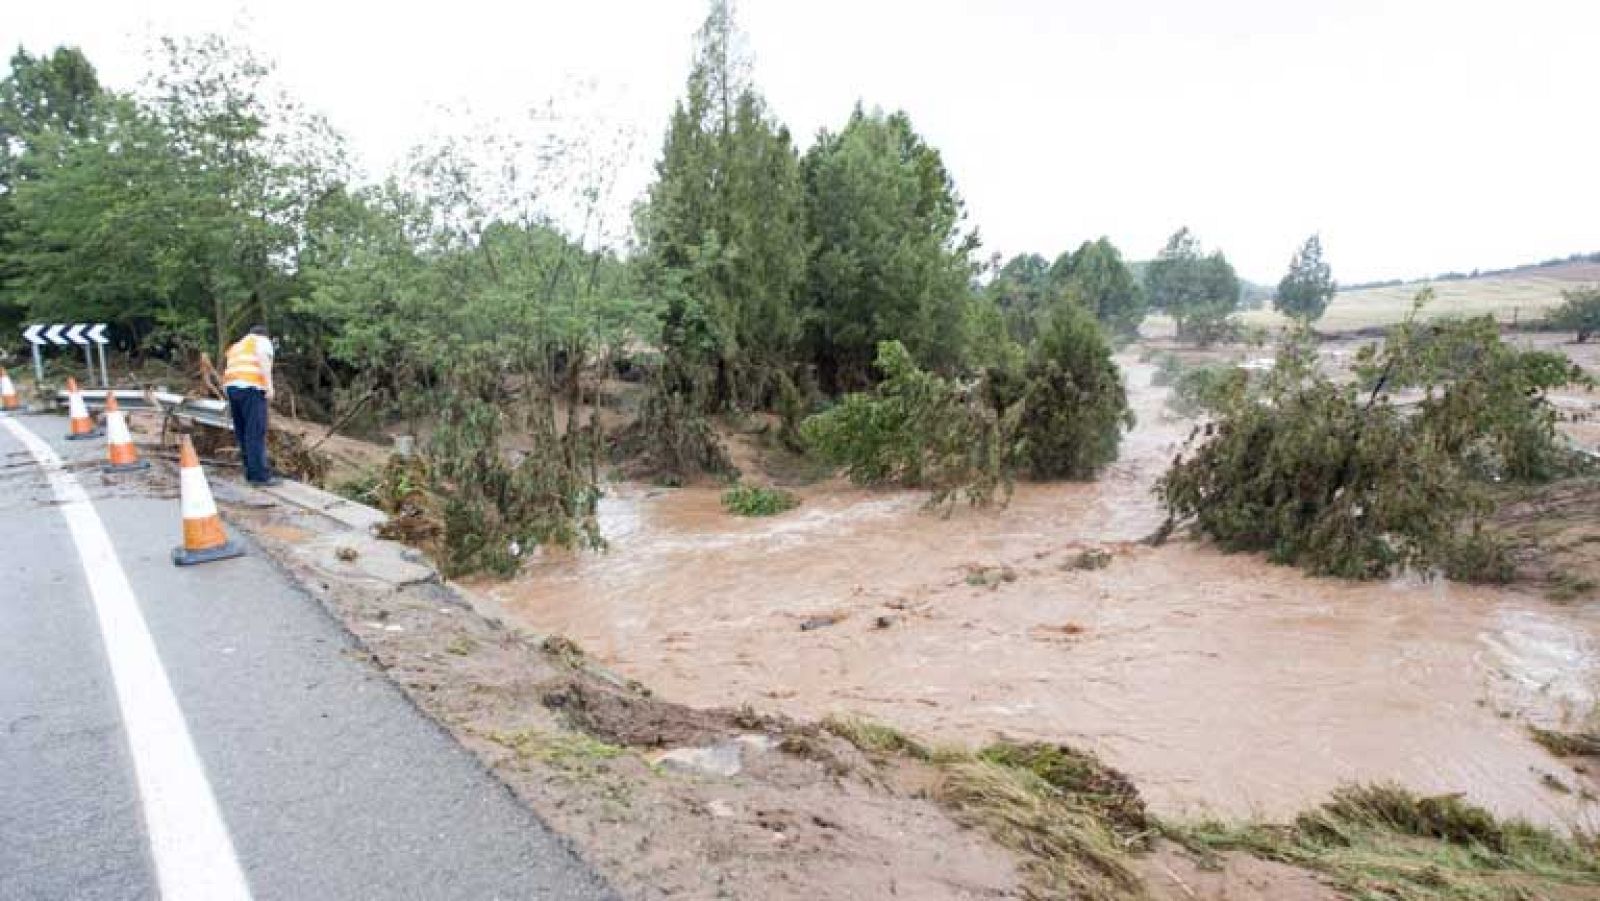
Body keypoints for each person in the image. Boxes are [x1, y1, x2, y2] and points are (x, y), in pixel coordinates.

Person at [223, 324, 280, 486]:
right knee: (255, 432)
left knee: (243, 432)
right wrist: (269, 386)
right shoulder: (261, 341)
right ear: (265, 335)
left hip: (233, 389)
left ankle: (250, 472)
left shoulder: (237, 346)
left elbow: (229, 367)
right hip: (252, 389)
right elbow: (263, 358)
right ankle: (259, 477)